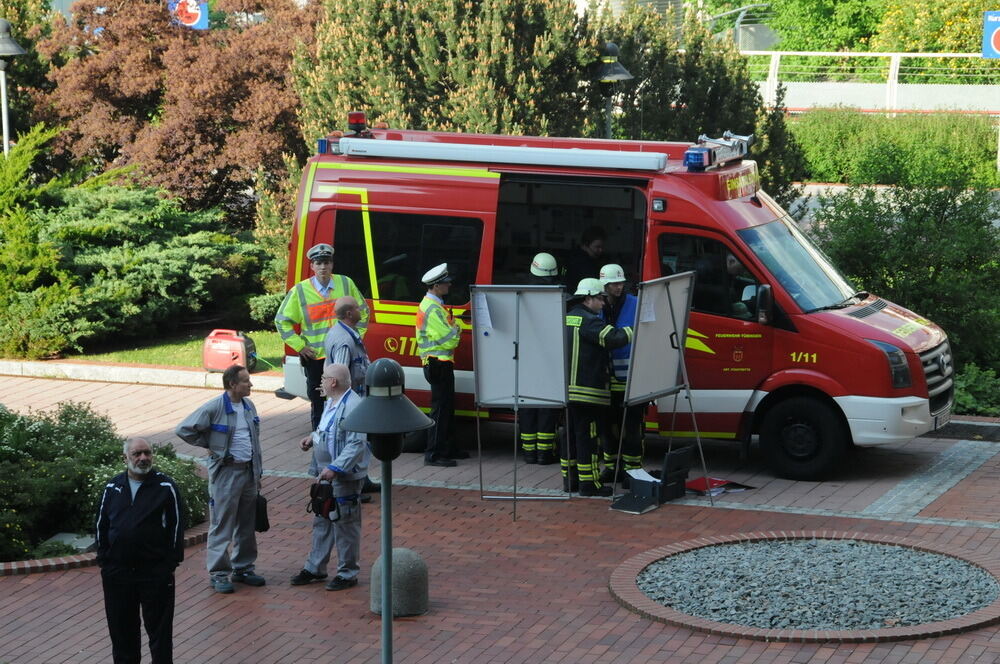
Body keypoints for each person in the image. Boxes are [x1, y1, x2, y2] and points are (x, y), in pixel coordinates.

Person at [175, 364, 265, 594]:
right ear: (232, 384)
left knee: (246, 523)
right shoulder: (214, 407)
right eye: (245, 381)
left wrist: (258, 473)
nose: (250, 384)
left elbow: (254, 442)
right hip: (226, 474)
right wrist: (212, 445)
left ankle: (243, 568)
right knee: (222, 523)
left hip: (248, 473)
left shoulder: (249, 406)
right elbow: (184, 429)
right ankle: (219, 573)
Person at [96, 438, 185, 664]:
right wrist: (105, 561)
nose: (143, 458)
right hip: (118, 574)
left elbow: (176, 527)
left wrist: (169, 565)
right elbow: (101, 525)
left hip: (154, 573)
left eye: (147, 453)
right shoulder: (112, 487)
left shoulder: (166, 487)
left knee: (160, 635)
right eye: (137, 454)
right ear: (125, 458)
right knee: (122, 633)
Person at [290, 363, 372, 591]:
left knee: (345, 524)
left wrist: (336, 468)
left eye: (324, 378)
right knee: (322, 519)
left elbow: (356, 444)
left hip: (343, 477)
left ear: (333, 382)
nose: (322, 382)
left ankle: (347, 573)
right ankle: (315, 568)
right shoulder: (332, 402)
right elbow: (328, 430)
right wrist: (312, 438)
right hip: (326, 476)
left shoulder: (354, 406)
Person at [275, 242, 370, 430]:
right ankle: (319, 436)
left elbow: (364, 312)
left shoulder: (345, 283)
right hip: (317, 357)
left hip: (344, 354)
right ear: (312, 266)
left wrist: (354, 339)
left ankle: (346, 433)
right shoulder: (300, 291)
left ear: (332, 264)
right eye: (318, 263)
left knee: (347, 395)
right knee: (318, 399)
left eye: (326, 262)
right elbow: (281, 321)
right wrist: (300, 346)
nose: (323, 267)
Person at [563, 278, 633, 496]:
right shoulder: (590, 321)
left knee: (571, 436)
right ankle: (589, 484)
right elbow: (613, 338)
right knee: (588, 438)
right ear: (588, 298)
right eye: (600, 299)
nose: (603, 304)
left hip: (567, 390)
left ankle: (570, 480)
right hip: (587, 391)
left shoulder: (567, 318)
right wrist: (636, 328)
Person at [597, 263, 646, 487]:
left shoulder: (636, 304)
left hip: (631, 379)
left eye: (620, 283)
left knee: (632, 428)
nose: (618, 287)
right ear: (604, 285)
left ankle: (632, 471)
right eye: (613, 284)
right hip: (606, 380)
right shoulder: (598, 306)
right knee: (607, 428)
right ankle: (611, 467)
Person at [416, 262, 465, 467]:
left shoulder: (434, 306)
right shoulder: (433, 309)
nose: (449, 285)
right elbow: (450, 340)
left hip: (440, 363)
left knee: (447, 408)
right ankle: (434, 454)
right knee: (440, 410)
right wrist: (457, 330)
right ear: (436, 286)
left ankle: (448, 448)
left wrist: (454, 329)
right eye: (445, 283)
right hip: (438, 364)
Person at [519, 252, 561, 465]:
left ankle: (529, 453)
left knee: (526, 406)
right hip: (548, 359)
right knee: (546, 406)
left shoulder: (520, 293)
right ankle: (545, 453)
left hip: (525, 360)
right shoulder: (557, 294)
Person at [323, 295, 370, 395]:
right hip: (350, 404)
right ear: (349, 314)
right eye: (357, 308)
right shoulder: (344, 342)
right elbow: (339, 379)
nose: (360, 309)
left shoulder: (336, 331)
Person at [563, 226, 605, 294]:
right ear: (586, 245)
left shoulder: (572, 256)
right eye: (597, 247)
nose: (601, 250)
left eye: (602, 247)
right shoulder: (582, 262)